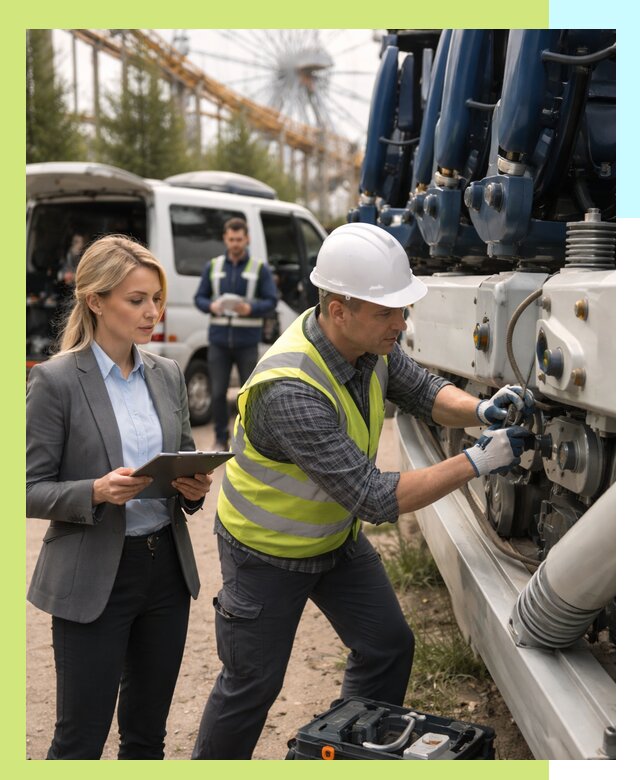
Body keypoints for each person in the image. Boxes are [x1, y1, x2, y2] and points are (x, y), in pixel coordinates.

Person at [191, 222, 534, 759]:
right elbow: (373, 496)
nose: (401, 323)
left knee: (387, 647)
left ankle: (348, 757)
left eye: (402, 309)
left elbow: (423, 392)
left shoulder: (371, 346)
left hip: (332, 541)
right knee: (251, 687)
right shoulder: (289, 388)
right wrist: (477, 460)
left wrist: (482, 410)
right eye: (387, 312)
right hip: (265, 554)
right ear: (338, 309)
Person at [26, 235, 213, 760]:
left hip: (165, 576)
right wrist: (96, 490)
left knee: (147, 739)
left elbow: (182, 456)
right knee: (79, 742)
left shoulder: (168, 373)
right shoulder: (56, 381)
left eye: (156, 297)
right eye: (137, 300)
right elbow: (26, 488)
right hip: (92, 579)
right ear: (95, 301)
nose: (152, 311)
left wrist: (193, 489)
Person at [194, 217, 279, 449]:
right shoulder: (213, 266)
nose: (235, 244)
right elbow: (199, 298)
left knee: (249, 394)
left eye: (239, 239)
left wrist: (250, 309)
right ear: (225, 238)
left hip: (246, 343)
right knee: (218, 393)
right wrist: (210, 306)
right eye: (231, 239)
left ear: (247, 239)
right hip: (219, 342)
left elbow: (272, 301)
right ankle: (221, 440)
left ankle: (249, 441)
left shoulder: (259, 268)